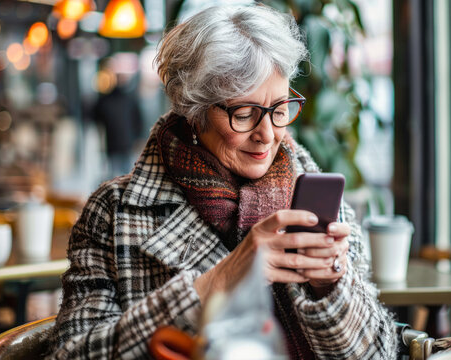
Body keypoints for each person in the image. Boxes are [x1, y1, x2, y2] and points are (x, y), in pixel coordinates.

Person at [48, 4, 397, 359]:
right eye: (245, 114)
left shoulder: (315, 198)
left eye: (279, 109)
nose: (268, 134)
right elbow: (71, 354)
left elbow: (382, 353)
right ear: (194, 110)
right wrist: (219, 281)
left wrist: (331, 289)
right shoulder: (114, 214)